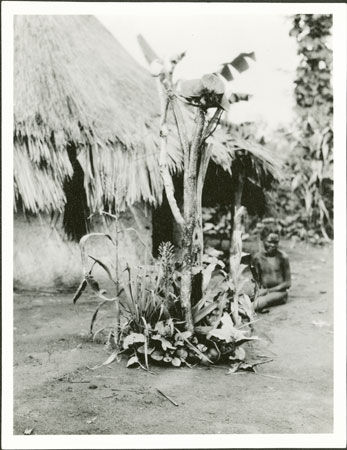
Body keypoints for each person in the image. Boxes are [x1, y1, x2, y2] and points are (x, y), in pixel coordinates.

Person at [252, 226, 291, 313]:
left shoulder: (283, 257)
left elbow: (288, 283)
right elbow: (256, 280)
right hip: (263, 291)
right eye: (269, 242)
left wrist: (267, 291)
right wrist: (257, 291)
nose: (273, 245)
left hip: (280, 292)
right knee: (243, 298)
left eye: (276, 242)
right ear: (263, 239)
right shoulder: (257, 258)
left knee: (260, 302)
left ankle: (244, 310)